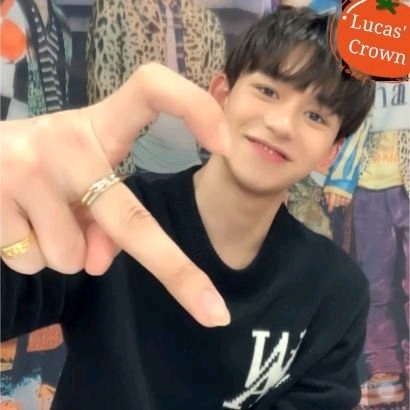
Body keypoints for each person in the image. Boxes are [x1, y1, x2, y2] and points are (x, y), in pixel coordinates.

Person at [1, 7, 375, 409]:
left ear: (331, 152)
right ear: (221, 94)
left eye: (315, 115)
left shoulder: (337, 291)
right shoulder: (104, 220)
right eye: (268, 91)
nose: (282, 123)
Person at [86, 0, 226, 177]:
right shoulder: (114, 7)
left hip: (194, 168)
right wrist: (117, 173)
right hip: (136, 169)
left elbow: (215, 103)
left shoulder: (207, 21)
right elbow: (103, 89)